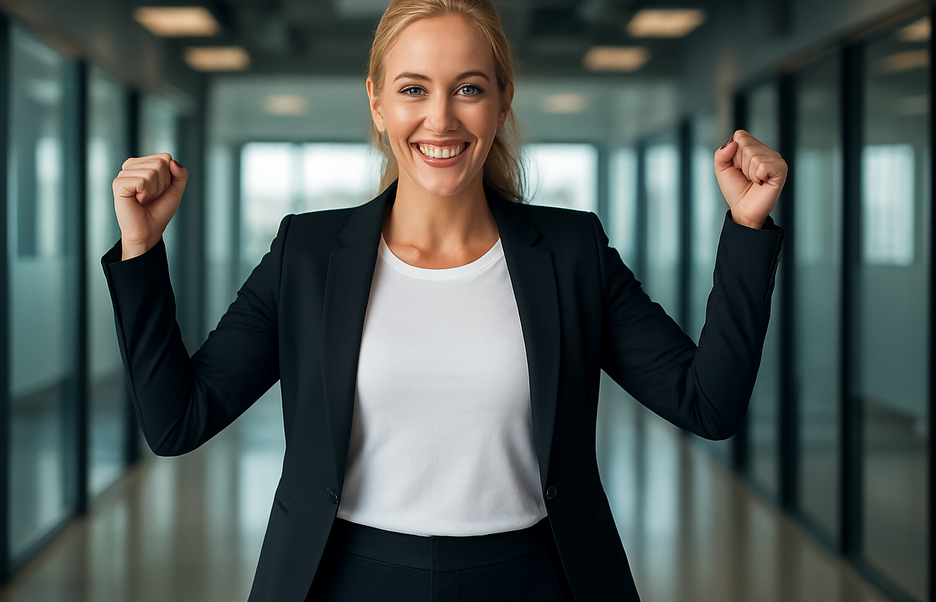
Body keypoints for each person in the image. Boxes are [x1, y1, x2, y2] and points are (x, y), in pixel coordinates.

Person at [104, 0, 787, 600]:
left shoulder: (573, 252)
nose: (440, 118)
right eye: (412, 89)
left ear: (502, 99)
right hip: (345, 579)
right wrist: (140, 249)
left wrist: (748, 230)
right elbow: (178, 421)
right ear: (376, 102)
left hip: (534, 579)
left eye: (468, 88)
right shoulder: (306, 256)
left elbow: (709, 402)